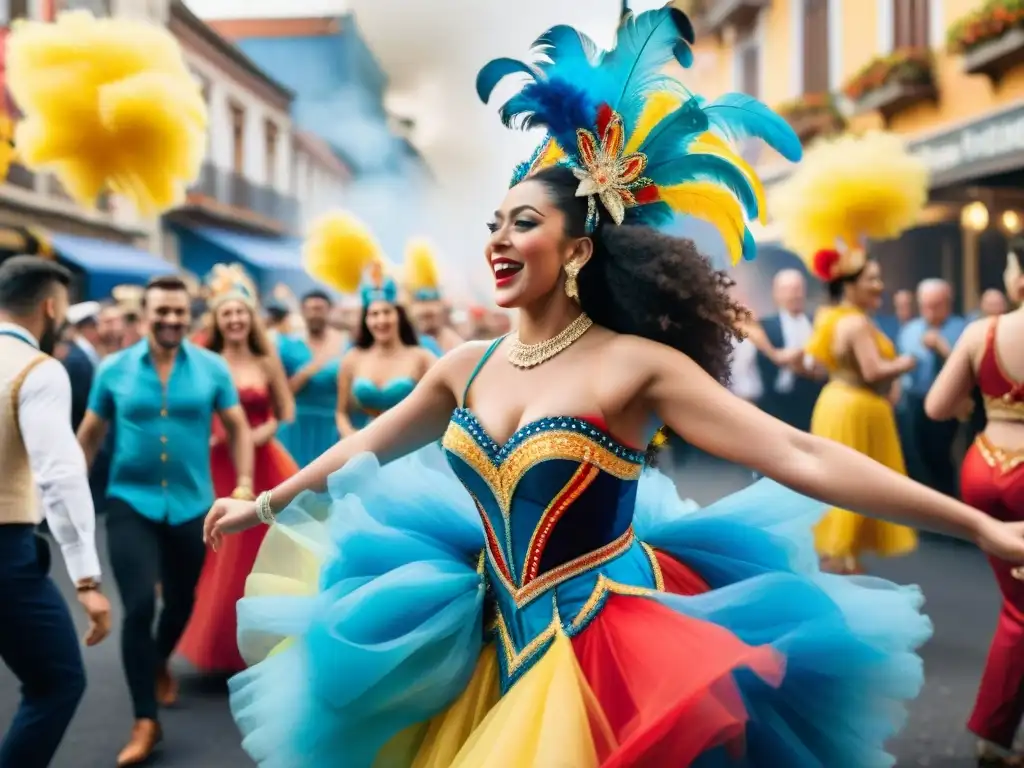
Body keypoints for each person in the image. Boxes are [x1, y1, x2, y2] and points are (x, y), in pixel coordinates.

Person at [206, 9, 1024, 766]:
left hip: (612, 648)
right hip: (484, 634)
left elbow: (797, 451)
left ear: (576, 251)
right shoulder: (465, 366)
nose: (498, 237)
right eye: (494, 221)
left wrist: (978, 529)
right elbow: (362, 448)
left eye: (523, 222)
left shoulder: (635, 365)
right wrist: (263, 504)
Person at [76, 274, 254, 766]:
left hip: (192, 505)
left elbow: (239, 427)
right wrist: (68, 494)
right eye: (162, 312)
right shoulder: (112, 370)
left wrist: (241, 483)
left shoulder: (212, 368)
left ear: (188, 315)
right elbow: (89, 435)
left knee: (180, 603)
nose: (171, 320)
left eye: (179, 312)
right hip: (129, 503)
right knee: (136, 606)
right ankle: (145, 720)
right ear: (145, 316)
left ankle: (156, 662)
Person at [773, 131, 926, 575]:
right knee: (853, 499)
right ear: (851, 285)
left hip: (835, 405)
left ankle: (839, 569)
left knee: (839, 494)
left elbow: (813, 366)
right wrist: (907, 362)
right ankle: (842, 576)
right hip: (858, 409)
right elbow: (877, 371)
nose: (879, 286)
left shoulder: (830, 318)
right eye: (872, 279)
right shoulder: (856, 322)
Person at [0, 256, 110, 768]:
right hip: (5, 553)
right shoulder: (39, 370)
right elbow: (61, 476)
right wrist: (86, 579)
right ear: (49, 306)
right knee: (57, 682)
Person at [926, 244, 1024, 767]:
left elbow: (938, 406)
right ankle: (992, 734)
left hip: (985, 469)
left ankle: (994, 734)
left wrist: (981, 403)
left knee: (1017, 605)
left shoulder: (980, 333)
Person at [177, 265, 297, 674]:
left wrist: (255, 434)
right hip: (215, 464)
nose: (234, 320)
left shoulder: (266, 361)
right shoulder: (203, 361)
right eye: (226, 313)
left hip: (264, 463)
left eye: (241, 312)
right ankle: (218, 641)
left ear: (251, 318)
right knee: (216, 553)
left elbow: (283, 410)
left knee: (261, 550)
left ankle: (264, 637)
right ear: (217, 319)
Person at [899, 278, 967, 497]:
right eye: (926, 305)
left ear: (948, 303)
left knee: (941, 456)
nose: (930, 311)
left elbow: (966, 370)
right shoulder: (910, 329)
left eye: (936, 305)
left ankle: (947, 504)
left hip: (948, 402)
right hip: (914, 401)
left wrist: (941, 347)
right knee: (914, 454)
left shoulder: (963, 329)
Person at [276, 289, 347, 466]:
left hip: (333, 424)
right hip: (297, 424)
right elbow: (280, 393)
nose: (315, 314)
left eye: (320, 308)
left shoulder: (345, 343)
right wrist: (308, 371)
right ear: (302, 311)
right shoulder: (287, 345)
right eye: (310, 309)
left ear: (330, 310)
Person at [755, 269, 823, 431]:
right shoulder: (764, 326)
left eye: (797, 289)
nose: (794, 295)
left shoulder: (819, 323)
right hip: (775, 405)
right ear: (776, 293)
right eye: (788, 289)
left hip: (812, 401)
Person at [404, 237, 464, 354]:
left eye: (431, 303)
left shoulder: (455, 345)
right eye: (421, 303)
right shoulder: (408, 344)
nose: (426, 310)